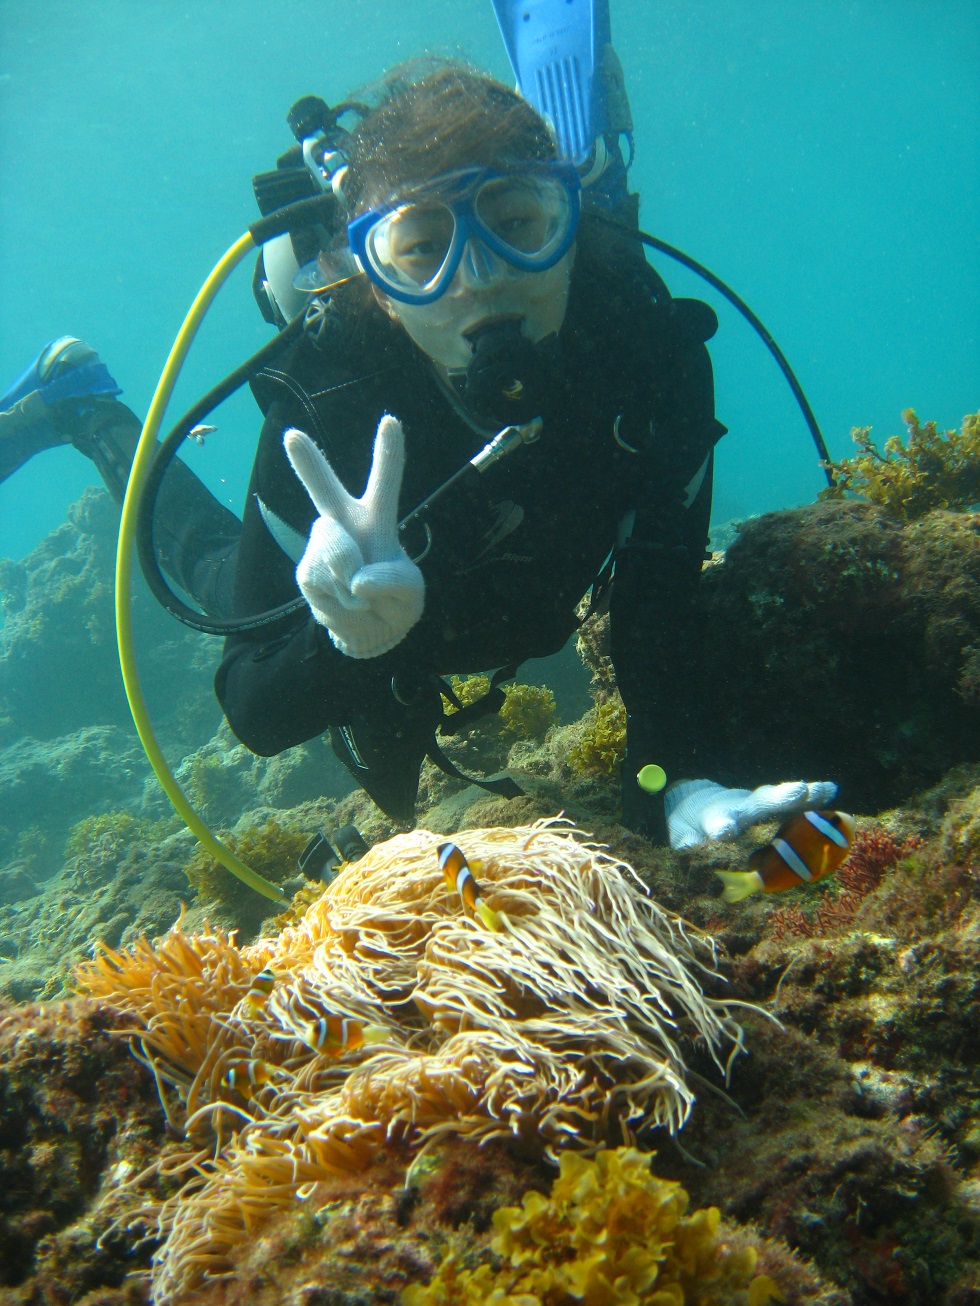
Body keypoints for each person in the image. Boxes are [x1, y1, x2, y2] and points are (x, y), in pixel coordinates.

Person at [0, 59, 834, 849]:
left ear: (571, 229)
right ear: (374, 283)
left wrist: (676, 784)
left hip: (506, 608)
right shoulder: (332, 399)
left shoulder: (651, 350)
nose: (479, 278)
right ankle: (86, 414)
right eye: (421, 250)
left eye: (516, 225)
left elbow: (660, 598)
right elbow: (254, 706)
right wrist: (342, 635)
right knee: (213, 563)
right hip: (392, 648)